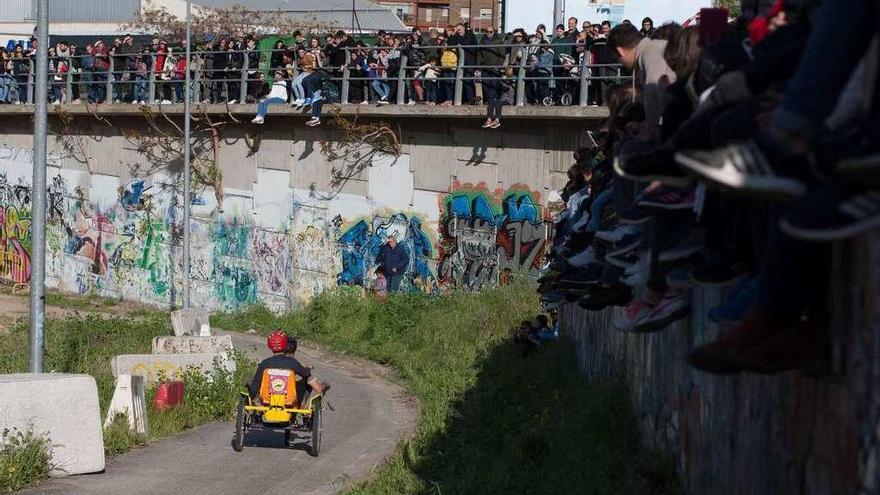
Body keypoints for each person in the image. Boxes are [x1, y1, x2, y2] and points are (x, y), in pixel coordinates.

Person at [249, 331, 327, 406]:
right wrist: (308, 369)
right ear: (285, 345)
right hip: (289, 399)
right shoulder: (292, 362)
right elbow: (305, 373)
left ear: (269, 345)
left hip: (267, 399)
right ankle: (303, 404)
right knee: (306, 378)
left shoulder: (265, 363)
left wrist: (252, 395)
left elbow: (254, 387)